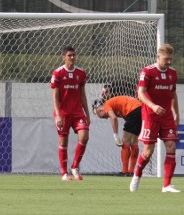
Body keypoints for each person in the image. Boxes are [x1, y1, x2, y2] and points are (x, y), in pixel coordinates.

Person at [130, 43, 181, 194]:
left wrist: (176, 113)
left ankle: (166, 185)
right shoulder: (147, 72)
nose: (169, 62)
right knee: (148, 152)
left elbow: (173, 94)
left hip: (166, 116)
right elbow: (140, 93)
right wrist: (152, 106)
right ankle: (137, 175)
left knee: (171, 146)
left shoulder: (172, 73)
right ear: (158, 57)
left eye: (171, 59)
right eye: (166, 59)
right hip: (150, 115)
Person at [50, 46, 90, 181]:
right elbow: (55, 96)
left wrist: (87, 114)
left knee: (84, 136)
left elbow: (82, 95)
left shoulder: (81, 73)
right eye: (69, 55)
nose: (72, 57)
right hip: (63, 113)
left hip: (78, 112)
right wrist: (58, 115)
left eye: (74, 55)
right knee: (63, 141)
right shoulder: (57, 73)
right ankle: (64, 173)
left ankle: (75, 166)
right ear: (64, 57)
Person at [92, 94, 143, 176]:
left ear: (101, 110)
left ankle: (124, 171)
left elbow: (114, 118)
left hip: (133, 111)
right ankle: (131, 171)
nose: (105, 118)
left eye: (101, 117)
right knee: (134, 142)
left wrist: (115, 136)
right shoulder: (115, 106)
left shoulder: (106, 105)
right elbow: (123, 116)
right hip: (140, 109)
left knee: (125, 142)